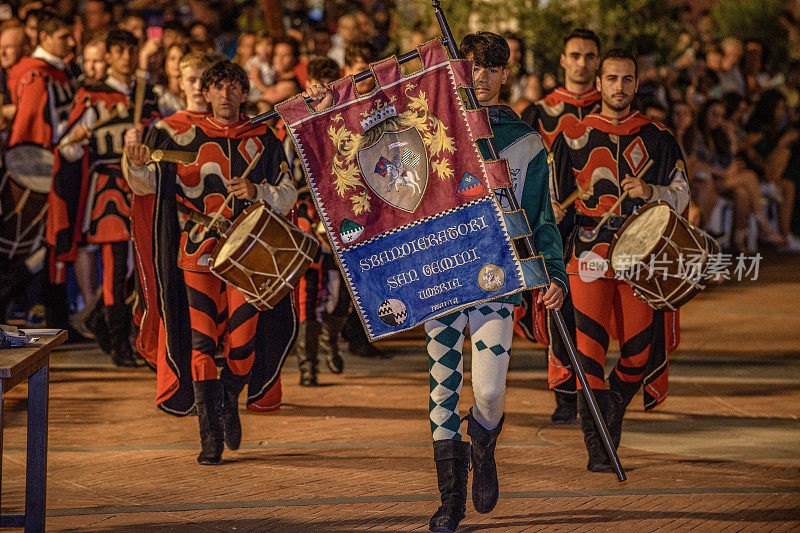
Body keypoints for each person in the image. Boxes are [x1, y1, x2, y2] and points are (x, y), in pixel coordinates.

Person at [125, 60, 298, 465]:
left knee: (242, 347)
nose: (225, 94)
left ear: (244, 92)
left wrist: (258, 190)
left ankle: (227, 399)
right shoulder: (173, 134)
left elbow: (289, 194)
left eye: (233, 87)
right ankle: (209, 437)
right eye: (218, 87)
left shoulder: (264, 138)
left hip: (248, 256)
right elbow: (148, 187)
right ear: (205, 93)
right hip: (196, 252)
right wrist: (135, 163)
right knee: (201, 345)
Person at [549, 49, 690, 473]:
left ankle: (608, 409)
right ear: (600, 81)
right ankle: (598, 447)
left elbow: (683, 198)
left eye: (627, 79)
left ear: (636, 82)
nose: (619, 87)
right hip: (586, 258)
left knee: (637, 355)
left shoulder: (659, 138)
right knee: (588, 354)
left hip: (639, 259)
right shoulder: (571, 135)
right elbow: (554, 200)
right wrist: (553, 213)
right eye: (612, 79)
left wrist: (652, 193)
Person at [49, 29, 159, 366]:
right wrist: (75, 137)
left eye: (131, 50)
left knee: (140, 264)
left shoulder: (148, 94)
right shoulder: (91, 95)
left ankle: (111, 326)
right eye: (119, 50)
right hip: (109, 189)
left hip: (142, 186)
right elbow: (66, 150)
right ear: (108, 56)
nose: (126, 56)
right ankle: (118, 344)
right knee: (113, 265)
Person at [521, 28, 602, 425]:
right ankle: (567, 394)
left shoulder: (614, 111)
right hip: (554, 227)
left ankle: (599, 390)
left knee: (599, 313)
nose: (582, 62)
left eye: (589, 55)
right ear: (564, 61)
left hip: (603, 230)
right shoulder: (538, 113)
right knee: (560, 309)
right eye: (575, 55)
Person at [0, 10, 75, 325]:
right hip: (41, 169)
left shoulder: (53, 70)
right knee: (39, 245)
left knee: (50, 245)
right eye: (63, 37)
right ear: (43, 38)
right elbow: (29, 128)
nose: (70, 43)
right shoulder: (36, 73)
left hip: (54, 164)